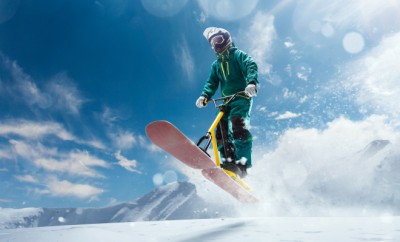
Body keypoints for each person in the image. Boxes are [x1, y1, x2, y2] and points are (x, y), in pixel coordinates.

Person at [196, 27, 258, 178]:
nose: (215, 45)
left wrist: (251, 83)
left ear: (226, 39)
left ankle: (242, 165)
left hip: (241, 97)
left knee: (239, 126)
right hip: (225, 102)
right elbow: (211, 82)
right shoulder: (216, 65)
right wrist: (205, 96)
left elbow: (251, 65)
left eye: (218, 40)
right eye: (212, 43)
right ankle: (229, 162)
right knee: (221, 132)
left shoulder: (237, 55)